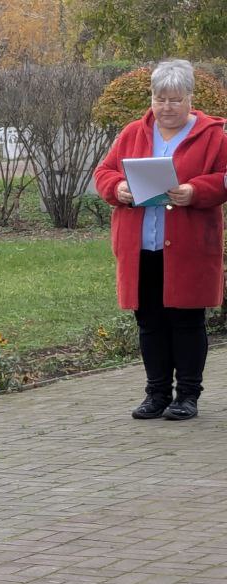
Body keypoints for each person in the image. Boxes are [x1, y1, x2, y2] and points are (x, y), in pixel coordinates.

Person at [95, 59, 227, 421]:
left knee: (186, 321)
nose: (166, 107)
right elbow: (104, 172)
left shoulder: (214, 135)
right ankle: (156, 394)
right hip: (141, 247)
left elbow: (224, 178)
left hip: (189, 248)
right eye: (159, 99)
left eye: (175, 99)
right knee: (149, 321)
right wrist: (118, 188)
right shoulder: (132, 133)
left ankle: (187, 395)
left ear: (190, 99)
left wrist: (195, 191)